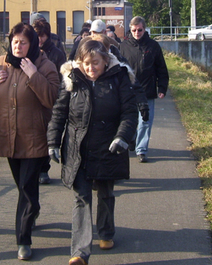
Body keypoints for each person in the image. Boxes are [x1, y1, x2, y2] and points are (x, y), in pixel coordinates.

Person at [47, 40, 138, 265]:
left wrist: (122, 137)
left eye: (95, 63)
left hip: (108, 146)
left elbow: (129, 112)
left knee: (105, 193)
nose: (90, 68)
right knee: (82, 197)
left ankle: (106, 232)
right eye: (86, 64)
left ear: (105, 61)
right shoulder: (72, 79)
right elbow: (59, 112)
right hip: (78, 147)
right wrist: (52, 142)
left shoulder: (120, 77)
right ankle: (80, 252)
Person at [0, 22, 60, 260]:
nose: (18, 46)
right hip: (8, 138)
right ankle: (33, 210)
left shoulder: (45, 66)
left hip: (35, 138)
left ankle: (23, 241)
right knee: (23, 187)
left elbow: (52, 99)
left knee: (26, 188)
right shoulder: (0, 62)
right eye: (15, 42)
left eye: (23, 42)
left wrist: (33, 75)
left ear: (32, 44)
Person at [119, 16, 169, 163]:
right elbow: (118, 68)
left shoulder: (153, 46)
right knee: (130, 120)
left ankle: (141, 150)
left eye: (139, 30)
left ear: (144, 29)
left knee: (145, 121)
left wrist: (162, 88)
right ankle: (132, 139)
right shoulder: (124, 46)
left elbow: (161, 69)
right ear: (130, 30)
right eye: (134, 30)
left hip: (147, 91)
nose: (137, 32)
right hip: (128, 91)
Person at [32, 18, 67, 185]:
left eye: (42, 36)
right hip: (32, 99)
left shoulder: (57, 54)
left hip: (51, 99)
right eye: (37, 35)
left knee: (47, 134)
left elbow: (63, 78)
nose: (39, 39)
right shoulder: (29, 52)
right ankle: (34, 168)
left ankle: (44, 169)